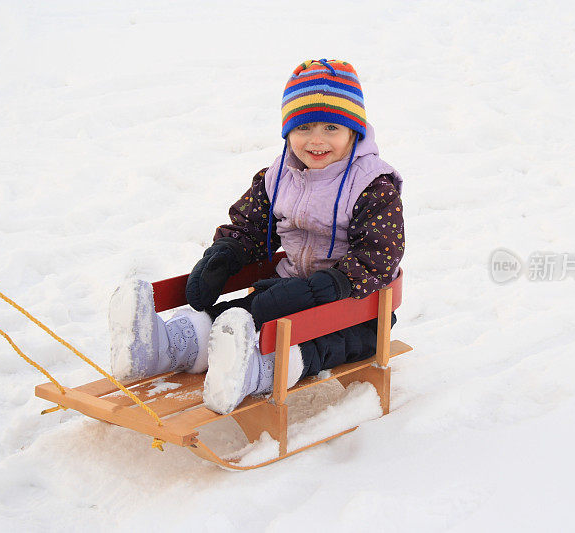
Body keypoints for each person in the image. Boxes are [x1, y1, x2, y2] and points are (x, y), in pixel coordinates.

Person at [109, 59, 404, 415]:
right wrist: (225, 253)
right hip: (288, 289)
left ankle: (255, 372)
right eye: (304, 126)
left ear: (354, 130)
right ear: (287, 130)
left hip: (355, 307)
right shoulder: (277, 177)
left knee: (313, 341)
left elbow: (379, 255)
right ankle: (164, 346)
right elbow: (250, 226)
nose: (316, 140)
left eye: (331, 127)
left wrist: (328, 286)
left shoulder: (372, 186)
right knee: (236, 320)